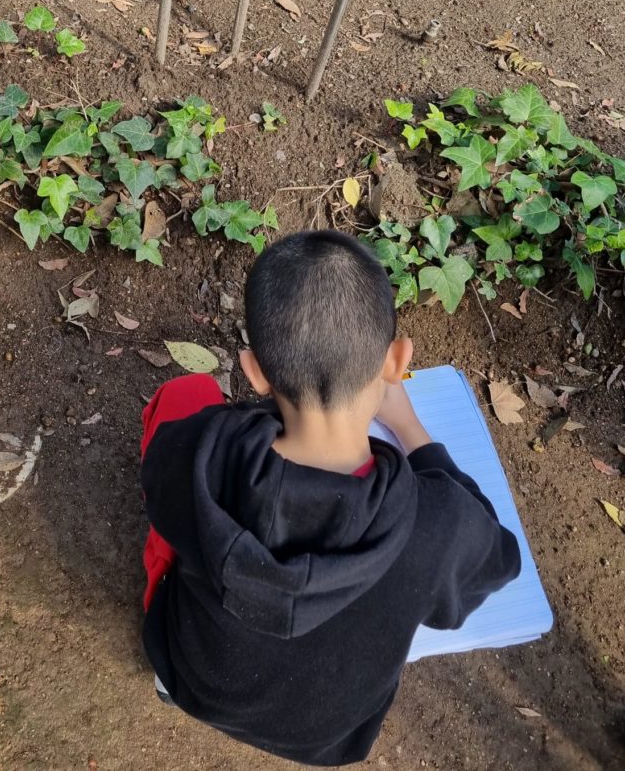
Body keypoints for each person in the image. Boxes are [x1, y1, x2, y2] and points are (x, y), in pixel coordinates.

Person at [140, 230, 521, 767]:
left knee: (186, 394)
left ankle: (165, 679)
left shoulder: (203, 452)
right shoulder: (435, 523)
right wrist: (410, 428)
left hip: (198, 680)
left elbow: (160, 486)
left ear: (255, 372)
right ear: (396, 362)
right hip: (328, 733)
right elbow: (500, 560)